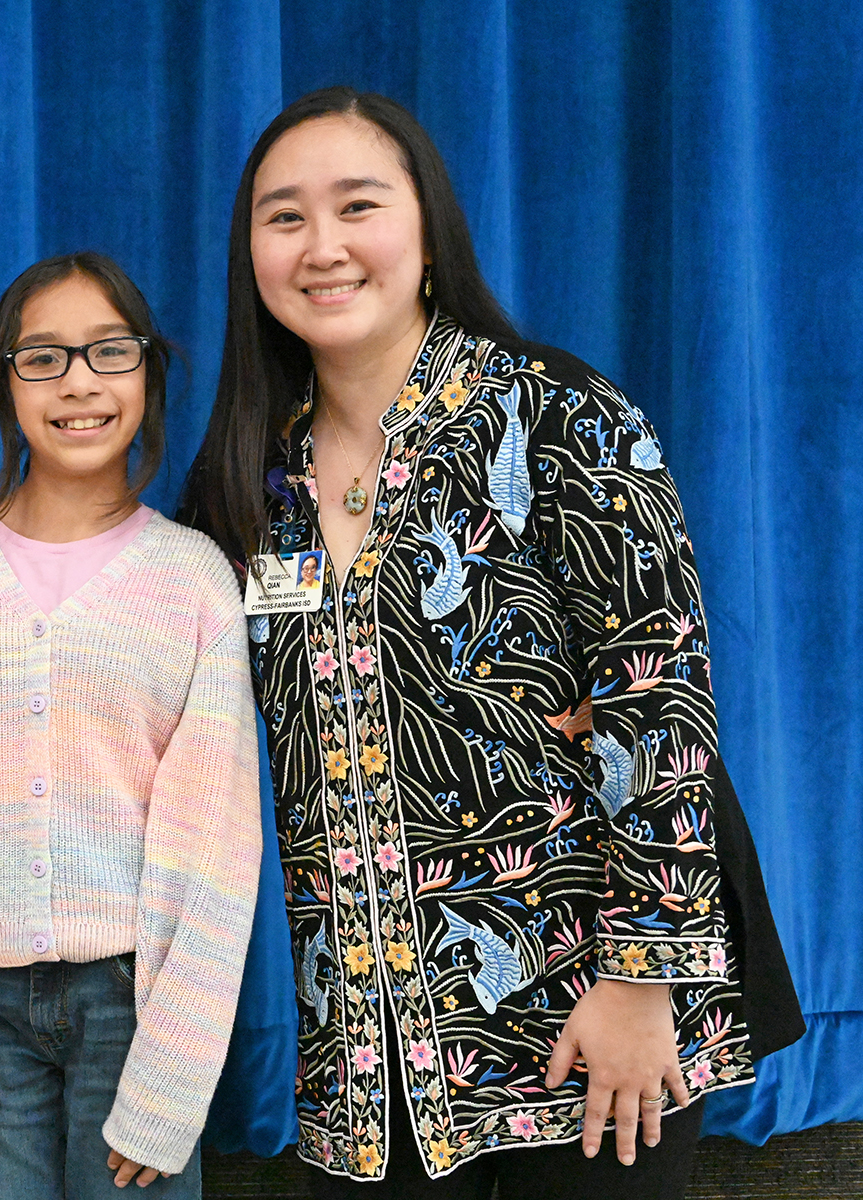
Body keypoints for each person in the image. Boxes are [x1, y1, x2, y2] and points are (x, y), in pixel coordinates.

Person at [180, 87, 800, 1198]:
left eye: (356, 206)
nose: (321, 246)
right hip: (371, 1063)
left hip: (594, 1030)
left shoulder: (560, 417)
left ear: (427, 233)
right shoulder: (242, 486)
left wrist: (641, 983)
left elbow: (660, 704)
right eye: (283, 218)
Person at [0, 252, 261, 1199]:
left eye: (109, 352)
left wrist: (173, 1078)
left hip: (137, 1003)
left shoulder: (194, 575)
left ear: (150, 374)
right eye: (42, 357)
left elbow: (216, 847)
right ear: (5, 382)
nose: (78, 381)